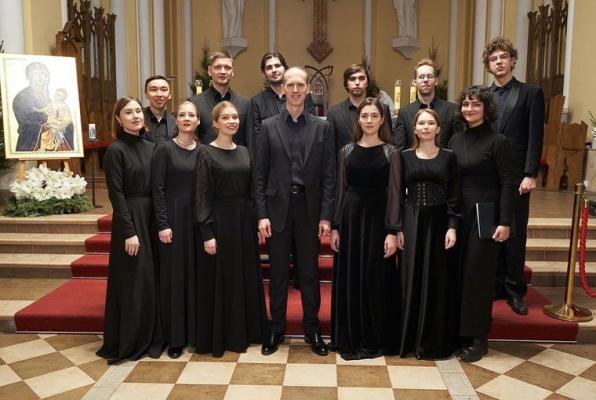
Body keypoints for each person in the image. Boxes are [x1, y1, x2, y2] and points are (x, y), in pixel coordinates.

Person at [254, 67, 335, 356]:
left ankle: (313, 329)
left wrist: (326, 215)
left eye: (301, 84)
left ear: (308, 89)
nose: (296, 89)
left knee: (309, 273)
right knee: (277, 274)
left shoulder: (323, 127)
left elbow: (329, 175)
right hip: (276, 210)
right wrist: (261, 214)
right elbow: (259, 175)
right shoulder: (268, 126)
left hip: (309, 211)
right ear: (284, 89)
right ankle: (276, 329)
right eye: (291, 85)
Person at [330, 97, 401, 360]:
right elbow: (340, 190)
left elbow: (395, 193)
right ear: (358, 120)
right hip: (351, 218)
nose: (369, 120)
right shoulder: (346, 151)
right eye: (364, 116)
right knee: (352, 276)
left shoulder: (391, 152)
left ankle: (375, 336)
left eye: (374, 116)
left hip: (378, 220)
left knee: (375, 276)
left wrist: (392, 230)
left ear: (382, 120)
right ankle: (351, 335)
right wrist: (336, 226)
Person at [194, 101, 267, 357]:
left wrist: (257, 220)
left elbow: (253, 190)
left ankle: (247, 332)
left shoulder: (245, 151)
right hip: (219, 221)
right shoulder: (205, 153)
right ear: (215, 123)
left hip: (243, 221)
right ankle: (224, 336)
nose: (232, 121)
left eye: (235, 117)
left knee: (244, 275)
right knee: (223, 278)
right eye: (225, 117)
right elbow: (202, 196)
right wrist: (207, 233)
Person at [448, 86, 514, 363]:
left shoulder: (498, 141)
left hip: (485, 214)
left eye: (475, 104)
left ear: (486, 109)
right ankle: (460, 332)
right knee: (459, 274)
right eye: (465, 104)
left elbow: (508, 183)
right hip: (459, 214)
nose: (469, 109)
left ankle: (478, 337)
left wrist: (505, 221)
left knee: (478, 276)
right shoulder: (455, 140)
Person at [96, 97, 163, 364]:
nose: (135, 116)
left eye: (137, 111)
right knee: (134, 280)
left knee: (151, 280)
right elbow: (116, 194)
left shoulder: (152, 147)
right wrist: (129, 232)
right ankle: (130, 339)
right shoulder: (115, 150)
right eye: (128, 112)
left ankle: (150, 335)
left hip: (152, 217)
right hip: (131, 219)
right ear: (118, 118)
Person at [484, 37, 545, 315]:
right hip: (488, 177)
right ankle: (494, 285)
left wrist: (531, 173)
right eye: (493, 58)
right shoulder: (483, 96)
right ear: (488, 64)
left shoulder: (530, 93)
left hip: (517, 176)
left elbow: (535, 136)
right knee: (490, 232)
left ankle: (514, 290)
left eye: (503, 57)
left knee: (515, 234)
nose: (499, 62)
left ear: (512, 60)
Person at [398, 109, 461, 360]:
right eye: (421, 123)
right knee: (411, 277)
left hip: (439, 223)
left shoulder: (449, 157)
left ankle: (433, 340)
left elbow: (454, 195)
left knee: (437, 278)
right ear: (414, 129)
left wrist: (452, 226)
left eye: (430, 123)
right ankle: (411, 339)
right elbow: (398, 196)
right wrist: (397, 228)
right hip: (411, 222)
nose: (425, 127)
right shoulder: (404, 156)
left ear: (438, 128)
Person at [151, 101, 200, 359]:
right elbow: (157, 189)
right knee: (174, 278)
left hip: (197, 222)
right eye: (182, 114)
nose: (187, 118)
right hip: (173, 221)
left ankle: (195, 333)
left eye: (191, 115)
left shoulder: (203, 150)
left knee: (195, 277)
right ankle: (175, 338)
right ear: (176, 120)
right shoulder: (165, 149)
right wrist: (163, 224)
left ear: (199, 121)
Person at [248, 52, 315, 157]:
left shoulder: (303, 96)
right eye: (269, 67)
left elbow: (312, 127)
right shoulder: (257, 102)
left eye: (277, 65)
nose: (274, 70)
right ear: (264, 72)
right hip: (272, 158)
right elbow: (257, 139)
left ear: (285, 68)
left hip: (302, 156)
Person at [394, 59, 461, 151]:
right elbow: (399, 148)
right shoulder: (405, 112)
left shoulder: (451, 110)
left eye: (429, 76)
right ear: (415, 82)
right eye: (421, 77)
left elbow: (457, 146)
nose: (425, 80)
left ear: (436, 81)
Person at [327, 64, 393, 154]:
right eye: (352, 79)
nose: (357, 82)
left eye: (361, 78)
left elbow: (388, 142)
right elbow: (330, 151)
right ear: (346, 84)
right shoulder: (334, 113)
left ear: (367, 83)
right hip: (344, 162)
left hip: (378, 160)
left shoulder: (383, 108)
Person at [189, 50, 249, 146]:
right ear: (209, 71)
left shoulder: (245, 104)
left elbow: (249, 140)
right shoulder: (195, 103)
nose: (223, 71)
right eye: (218, 67)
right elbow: (191, 141)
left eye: (227, 67)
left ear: (232, 72)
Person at [143, 75, 177, 144]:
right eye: (154, 90)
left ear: (170, 94)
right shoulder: (138, 119)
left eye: (163, 90)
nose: (159, 94)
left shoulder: (175, 121)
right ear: (146, 94)